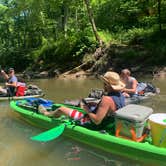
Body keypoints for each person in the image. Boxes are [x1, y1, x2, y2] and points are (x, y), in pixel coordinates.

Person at [38, 71, 125, 126]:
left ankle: (46, 114)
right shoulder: (121, 95)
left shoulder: (107, 99)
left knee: (61, 109)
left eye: (104, 83)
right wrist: (96, 105)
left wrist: (86, 109)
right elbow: (110, 109)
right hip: (109, 122)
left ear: (106, 85)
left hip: (93, 124)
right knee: (87, 106)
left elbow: (97, 121)